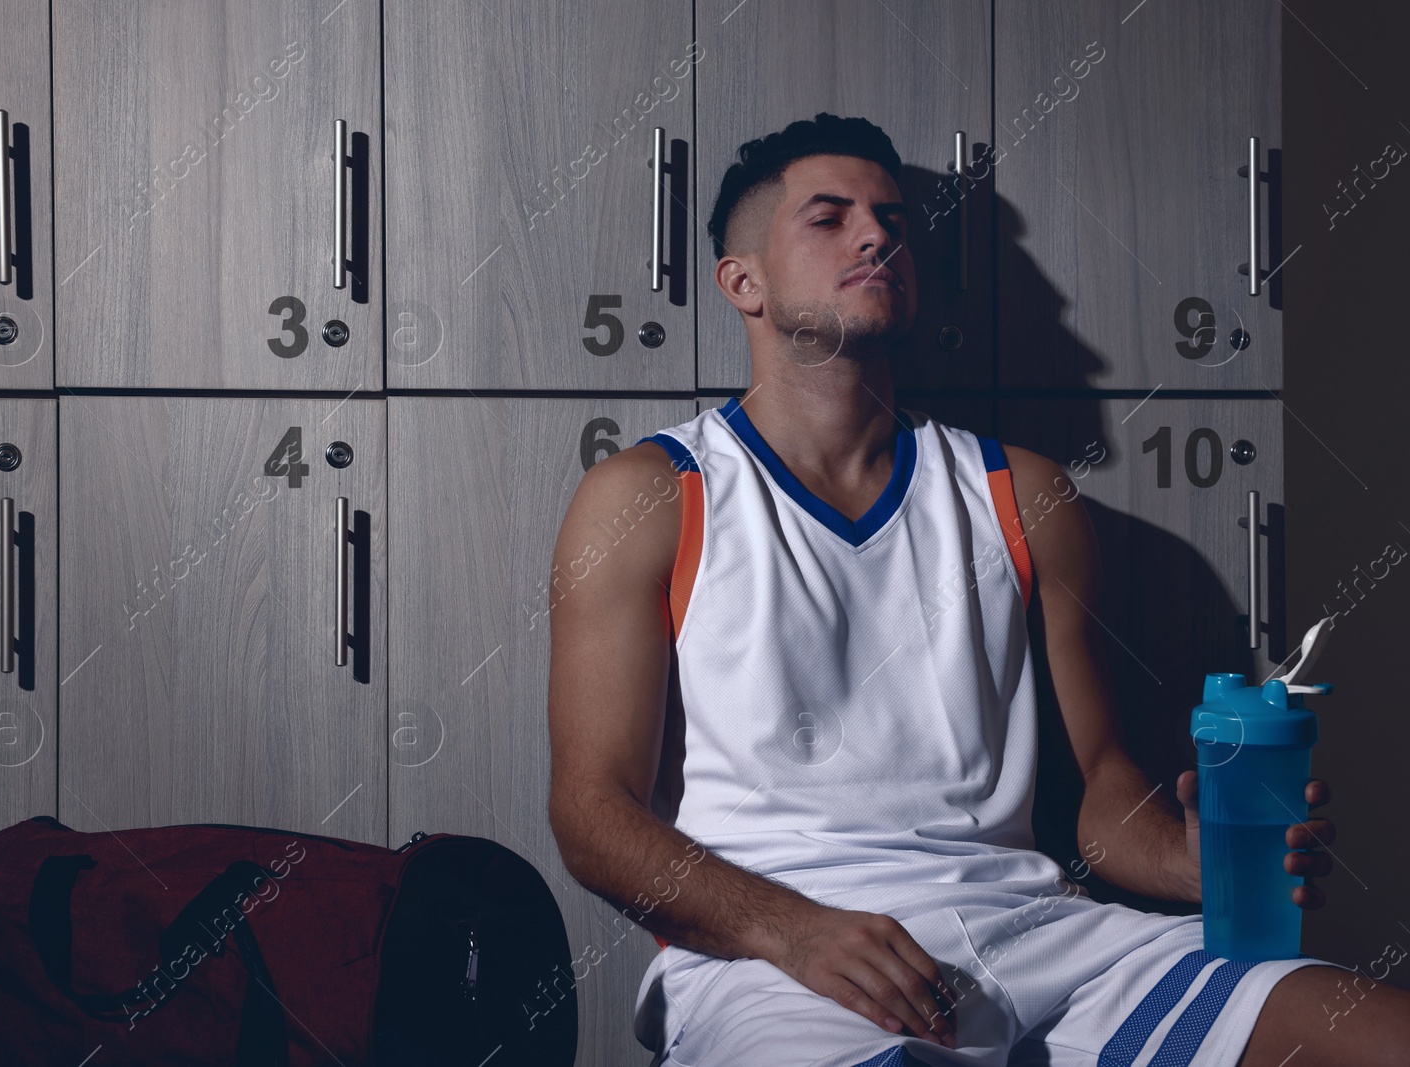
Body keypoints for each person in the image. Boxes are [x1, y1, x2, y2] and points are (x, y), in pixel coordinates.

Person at [545, 113, 1410, 1065]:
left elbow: (1099, 787)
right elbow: (593, 814)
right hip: (787, 961)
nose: (877, 236)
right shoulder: (651, 496)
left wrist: (1185, 858)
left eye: (892, 221)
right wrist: (790, 928)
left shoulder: (1024, 495)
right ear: (741, 281)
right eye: (828, 218)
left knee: (1372, 1033)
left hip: (1043, 931)